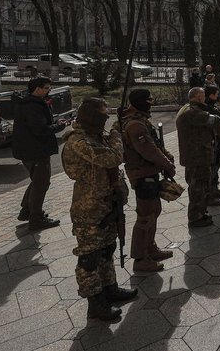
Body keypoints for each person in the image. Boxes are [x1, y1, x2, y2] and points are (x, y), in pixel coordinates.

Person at [62, 98, 137, 321]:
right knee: (90, 257)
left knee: (106, 250)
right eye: (103, 113)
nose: (106, 116)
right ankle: (95, 304)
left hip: (106, 203)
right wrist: (116, 137)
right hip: (89, 208)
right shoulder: (79, 141)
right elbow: (112, 157)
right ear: (92, 116)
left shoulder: (97, 135)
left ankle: (109, 289)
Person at [120, 89, 176, 273]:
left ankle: (150, 248)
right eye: (148, 100)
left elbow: (155, 144)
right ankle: (140, 258)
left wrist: (166, 157)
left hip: (150, 171)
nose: (150, 104)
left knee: (154, 211)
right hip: (141, 174)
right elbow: (148, 150)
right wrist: (166, 164)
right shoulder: (134, 125)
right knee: (145, 216)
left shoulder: (141, 119)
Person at [12, 76, 70, 230]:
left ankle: (27, 210)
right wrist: (59, 126)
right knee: (41, 183)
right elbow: (40, 129)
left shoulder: (31, 103)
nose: (48, 90)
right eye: (46, 88)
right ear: (37, 89)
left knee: (38, 181)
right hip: (35, 151)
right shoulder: (33, 106)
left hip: (32, 150)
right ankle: (36, 219)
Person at [176, 87, 220, 227]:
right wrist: (216, 116)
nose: (204, 98)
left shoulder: (189, 109)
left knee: (202, 186)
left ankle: (201, 213)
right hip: (196, 156)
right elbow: (216, 121)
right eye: (202, 96)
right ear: (197, 97)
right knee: (197, 187)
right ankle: (195, 217)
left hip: (199, 154)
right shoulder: (191, 112)